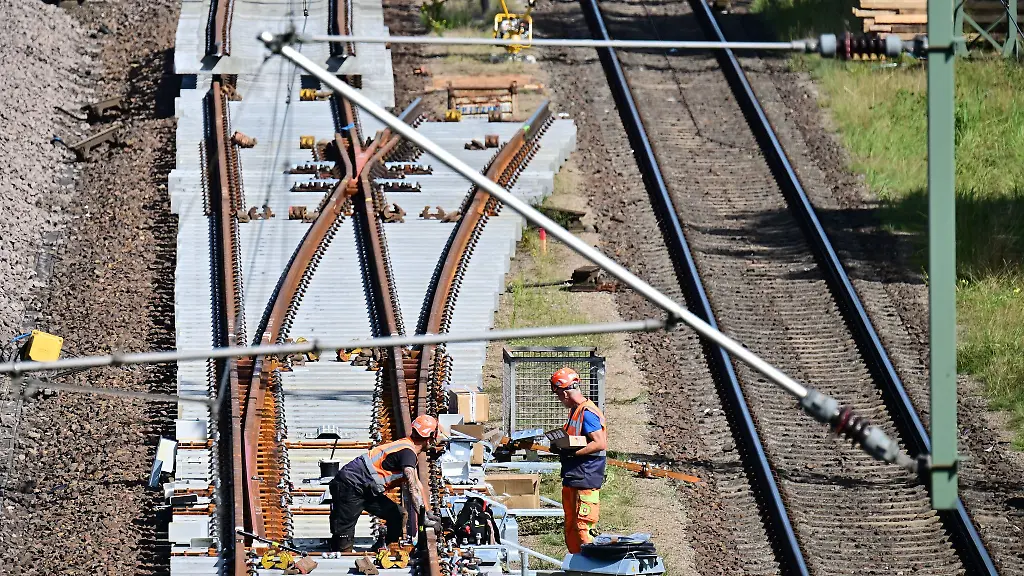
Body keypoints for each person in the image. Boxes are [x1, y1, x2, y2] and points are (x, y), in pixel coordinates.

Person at [327, 414, 443, 552]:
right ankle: (341, 554)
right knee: (344, 538)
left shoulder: (408, 449)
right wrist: (423, 518)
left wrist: (428, 512)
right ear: (430, 438)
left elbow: (418, 484)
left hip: (367, 489)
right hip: (350, 486)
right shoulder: (407, 453)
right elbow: (413, 488)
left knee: (398, 515)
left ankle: (381, 548)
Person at [549, 367, 608, 554]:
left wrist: (574, 454)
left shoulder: (587, 412)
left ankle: (591, 567)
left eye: (558, 394)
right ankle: (577, 565)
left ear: (565, 392)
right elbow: (574, 438)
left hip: (586, 476)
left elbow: (599, 443)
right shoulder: (576, 411)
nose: (559, 399)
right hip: (574, 475)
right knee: (571, 526)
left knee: (583, 527)